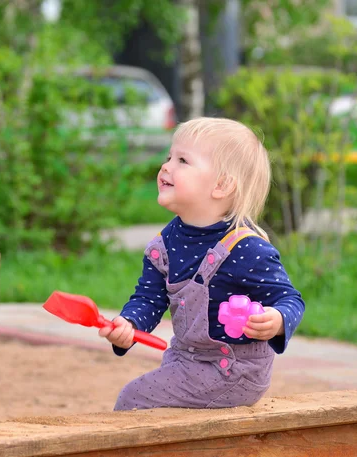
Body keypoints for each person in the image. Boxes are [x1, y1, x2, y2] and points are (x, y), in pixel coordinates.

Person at [99, 117, 305, 410]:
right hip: (186, 362)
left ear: (221, 185)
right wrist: (128, 324)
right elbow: (148, 299)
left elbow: (290, 299)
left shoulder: (246, 248)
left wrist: (277, 320)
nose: (166, 166)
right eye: (169, 157)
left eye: (183, 160)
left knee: (135, 399)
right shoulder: (165, 244)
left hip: (234, 370)